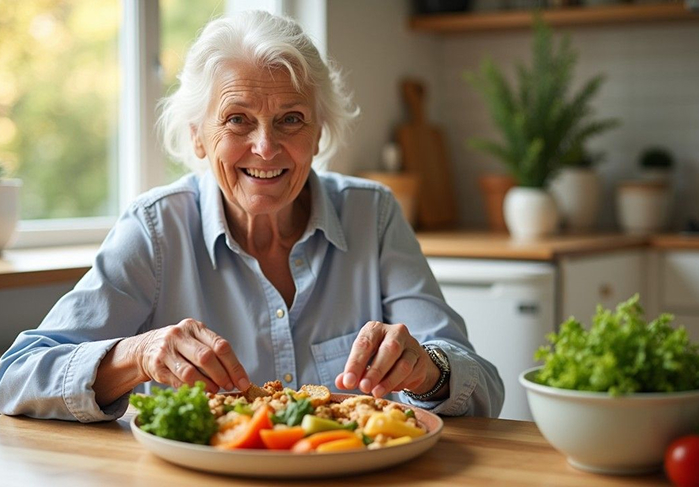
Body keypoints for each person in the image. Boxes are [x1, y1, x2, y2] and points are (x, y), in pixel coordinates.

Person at [0, 10, 504, 422]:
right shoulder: (155, 228)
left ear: (320, 133)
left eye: (291, 119)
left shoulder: (372, 215)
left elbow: (483, 384)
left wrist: (430, 371)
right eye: (238, 119)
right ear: (198, 135)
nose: (266, 147)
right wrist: (138, 354)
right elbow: (16, 374)